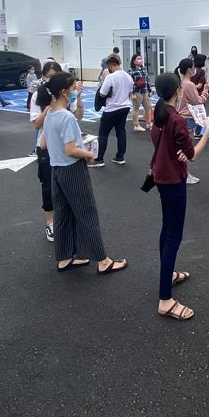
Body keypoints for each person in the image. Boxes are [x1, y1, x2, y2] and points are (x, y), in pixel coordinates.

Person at [43, 72, 127, 275]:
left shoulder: (49, 114)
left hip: (56, 170)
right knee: (87, 213)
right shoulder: (66, 117)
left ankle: (65, 258)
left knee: (63, 215)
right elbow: (70, 150)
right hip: (72, 170)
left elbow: (43, 144)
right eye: (73, 89)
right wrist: (88, 154)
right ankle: (103, 260)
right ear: (64, 92)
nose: (74, 92)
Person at [151, 73, 209, 321]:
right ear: (177, 91)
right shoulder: (176, 120)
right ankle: (165, 299)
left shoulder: (159, 112)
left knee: (167, 230)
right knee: (174, 235)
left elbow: (167, 144)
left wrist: (182, 150)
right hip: (174, 180)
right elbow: (193, 154)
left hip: (161, 177)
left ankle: (168, 273)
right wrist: (207, 131)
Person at [32, 62, 83, 241]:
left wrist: (78, 97)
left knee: (68, 186)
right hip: (48, 146)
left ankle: (66, 223)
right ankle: (51, 222)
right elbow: (36, 125)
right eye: (50, 77)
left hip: (66, 145)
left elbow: (78, 116)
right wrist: (51, 108)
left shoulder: (67, 97)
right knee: (48, 185)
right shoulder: (39, 97)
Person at [92, 55, 134, 167]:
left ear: (110, 66)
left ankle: (99, 159)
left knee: (103, 133)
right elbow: (130, 93)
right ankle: (120, 156)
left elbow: (102, 93)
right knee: (121, 131)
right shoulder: (128, 76)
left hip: (112, 108)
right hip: (125, 107)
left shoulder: (111, 77)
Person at [175, 58, 207, 184]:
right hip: (187, 118)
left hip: (180, 116)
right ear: (189, 69)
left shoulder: (180, 82)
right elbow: (197, 101)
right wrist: (205, 91)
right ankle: (184, 173)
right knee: (186, 148)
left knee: (180, 147)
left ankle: (182, 172)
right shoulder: (189, 84)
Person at [128, 53, 153, 132]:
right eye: (138, 59)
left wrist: (149, 90)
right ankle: (136, 125)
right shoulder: (131, 70)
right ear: (134, 61)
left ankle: (148, 123)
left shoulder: (144, 69)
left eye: (141, 58)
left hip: (145, 91)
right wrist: (132, 93)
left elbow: (147, 80)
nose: (140, 60)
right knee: (136, 108)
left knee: (148, 107)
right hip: (137, 92)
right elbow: (129, 82)